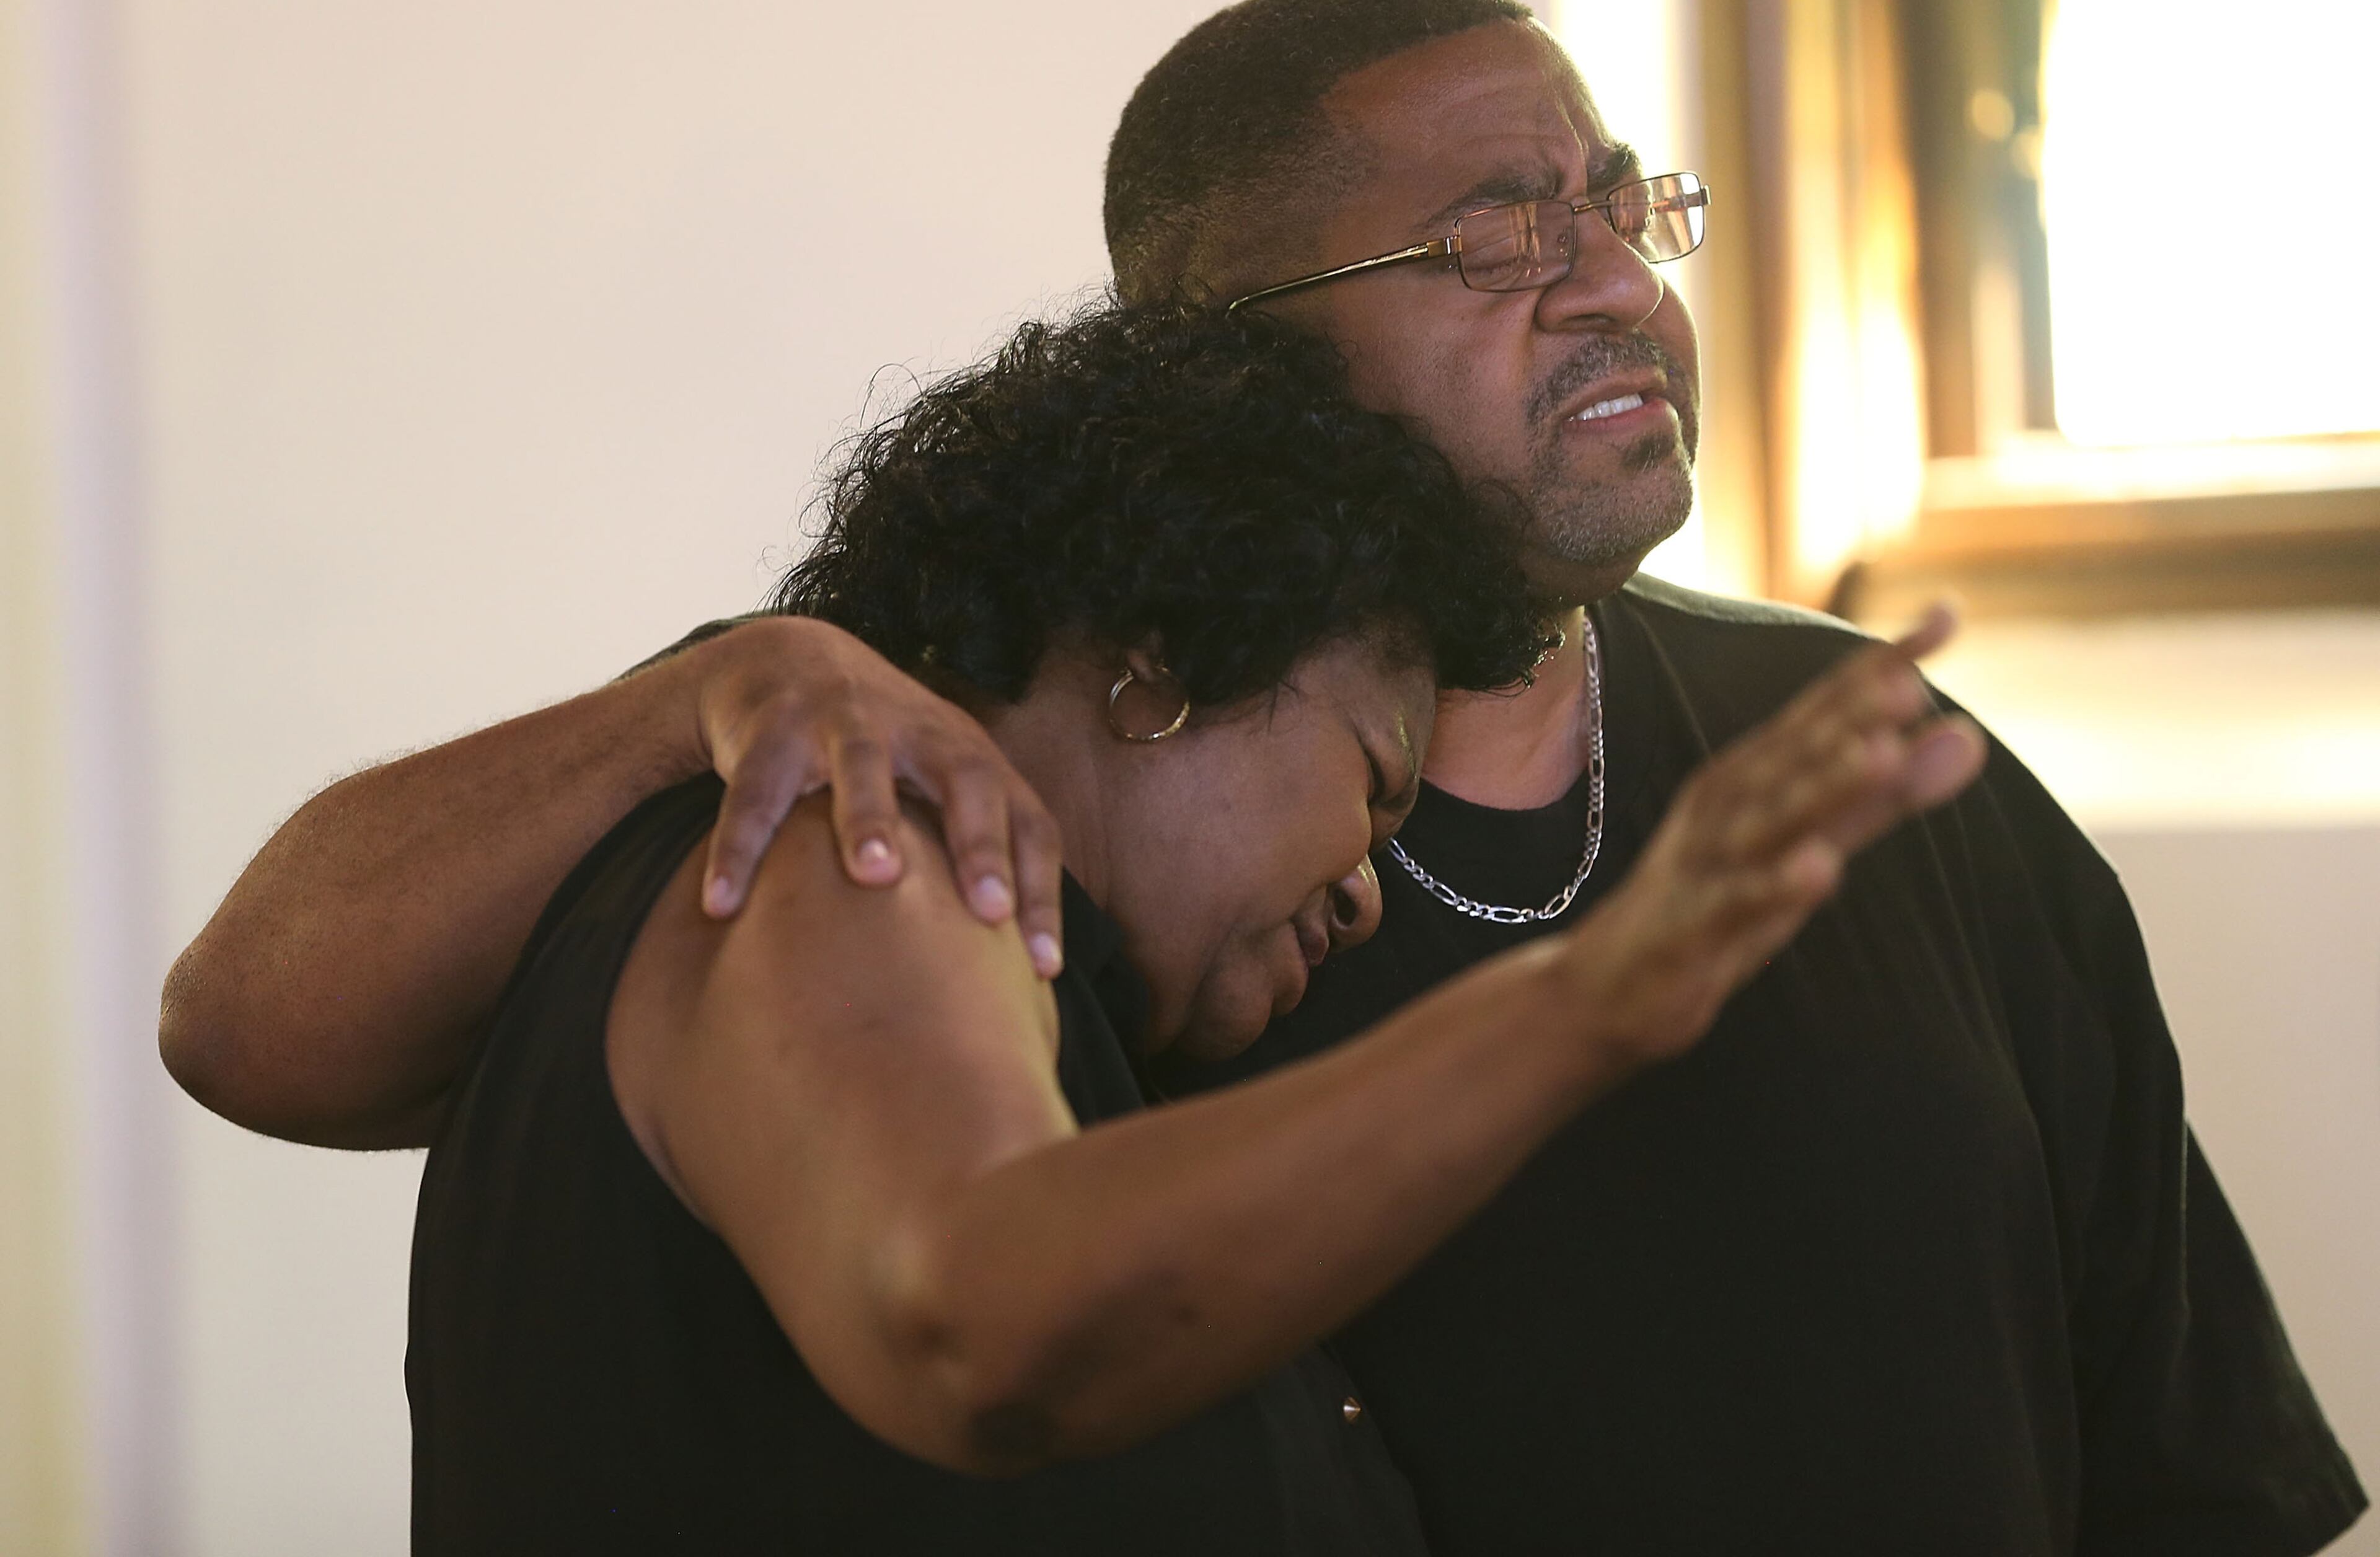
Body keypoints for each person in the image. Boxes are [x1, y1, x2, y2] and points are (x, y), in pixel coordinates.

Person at [162, 0, 2363, 1556]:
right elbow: (259, 1017)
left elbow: (2196, 1473)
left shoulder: (1876, 766)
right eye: (1499, 233)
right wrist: (708, 684)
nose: (1611, 281)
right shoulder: (901, 780)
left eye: (1625, 203)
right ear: (1217, 362)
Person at [396, 301, 1980, 1550]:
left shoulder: (1021, 981)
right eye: (1372, 783)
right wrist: (1587, 999)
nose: (1365, 893)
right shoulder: (870, 847)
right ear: (1163, 666)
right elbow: (970, 1319)